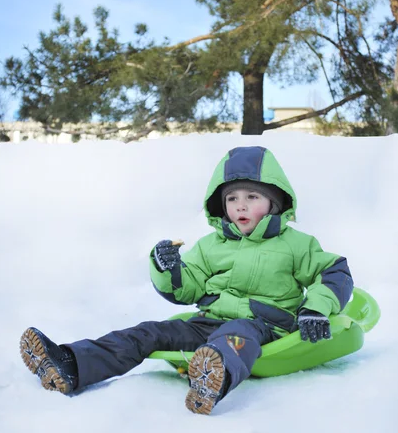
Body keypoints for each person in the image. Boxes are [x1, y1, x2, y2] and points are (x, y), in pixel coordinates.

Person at [20, 145, 353, 415]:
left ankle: (213, 377)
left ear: (274, 201)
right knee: (150, 332)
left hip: (263, 327)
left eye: (252, 197)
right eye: (232, 198)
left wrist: (316, 309)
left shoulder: (296, 244)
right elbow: (186, 288)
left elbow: (334, 272)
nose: (240, 206)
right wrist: (168, 268)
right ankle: (71, 364)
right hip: (207, 324)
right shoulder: (212, 245)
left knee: (235, 335)